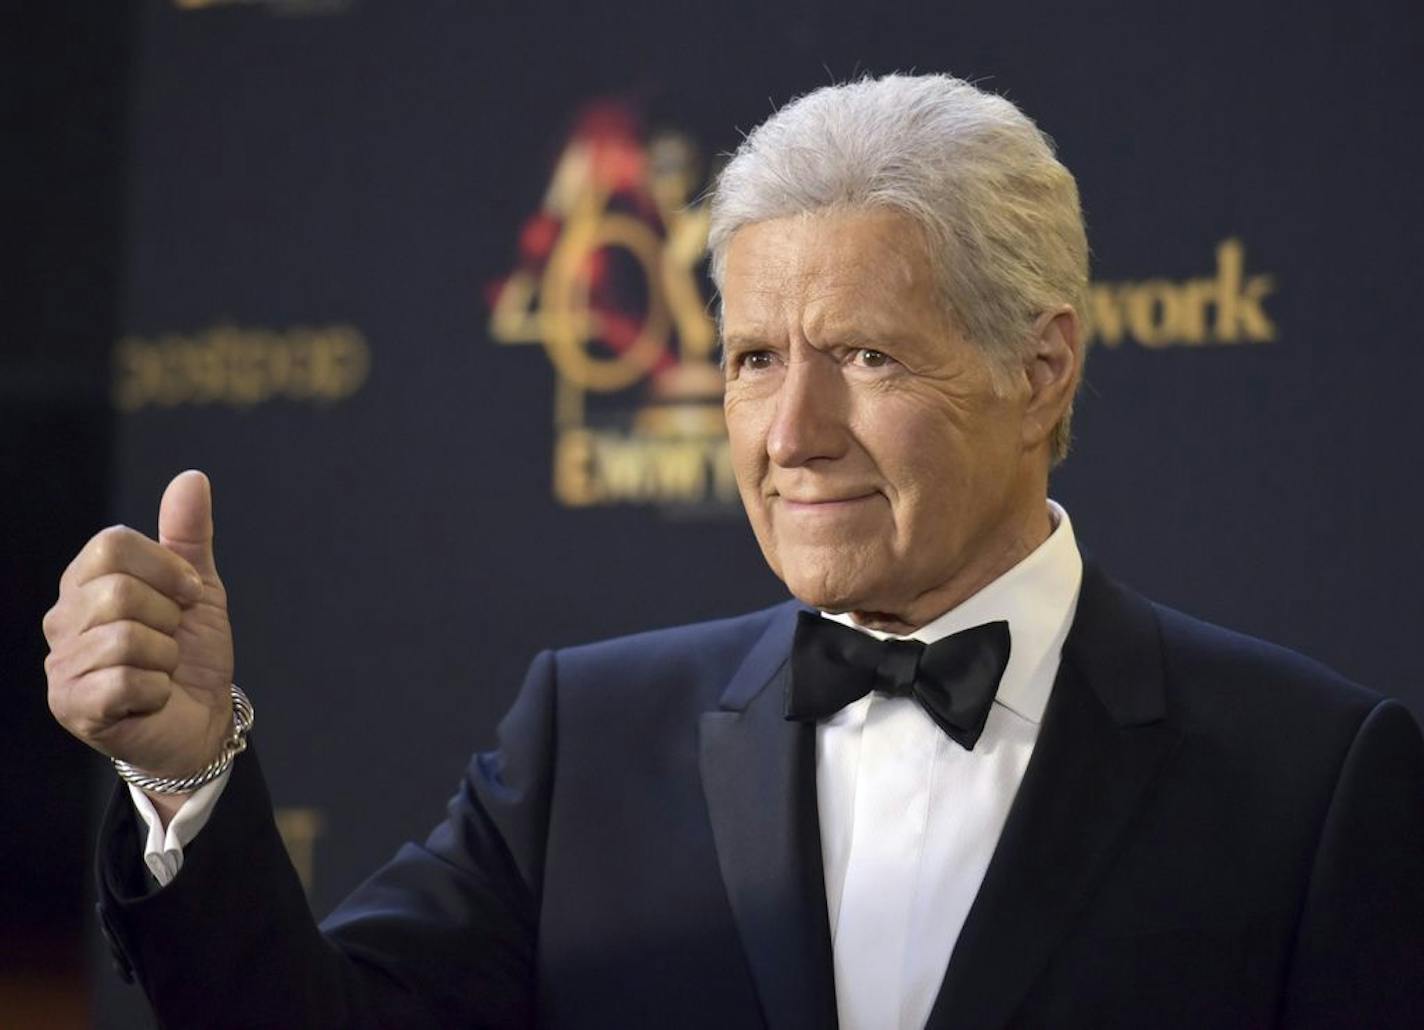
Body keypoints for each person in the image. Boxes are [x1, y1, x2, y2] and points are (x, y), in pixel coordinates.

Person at [44, 73, 1424, 1029]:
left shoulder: (1310, 781)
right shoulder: (589, 740)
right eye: (756, 358)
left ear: (1043, 366)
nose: (793, 431)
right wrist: (185, 771)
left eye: (866, 356)